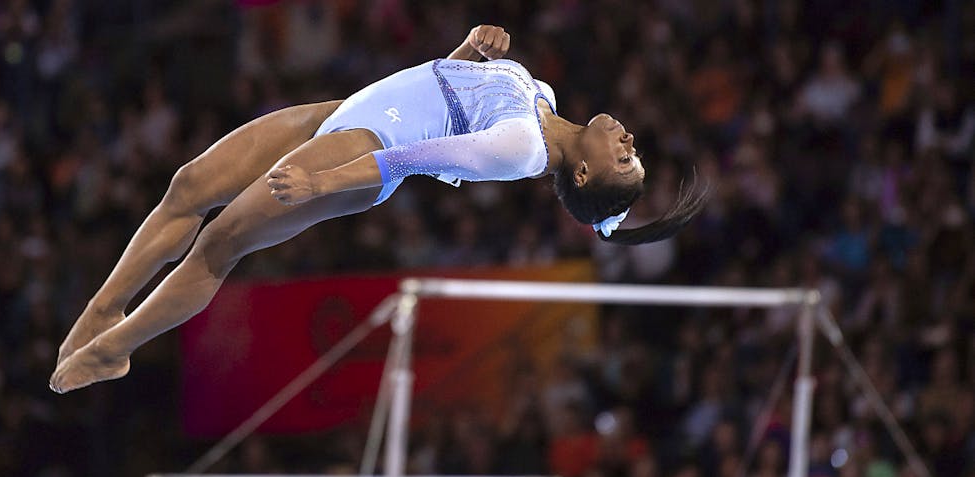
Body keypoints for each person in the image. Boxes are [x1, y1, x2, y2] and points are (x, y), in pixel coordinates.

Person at [49, 24, 709, 394]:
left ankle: (117, 347)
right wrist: (470, 50)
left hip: (368, 148)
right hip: (349, 111)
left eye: (627, 158)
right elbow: (442, 90)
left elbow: (413, 156)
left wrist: (322, 183)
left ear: (585, 171)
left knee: (221, 240)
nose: (628, 139)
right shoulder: (541, 94)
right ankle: (105, 306)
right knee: (189, 185)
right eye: (635, 149)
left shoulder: (521, 148)